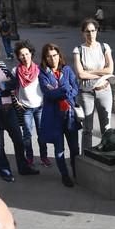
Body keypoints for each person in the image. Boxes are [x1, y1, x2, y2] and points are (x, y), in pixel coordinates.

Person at [0, 34, 39, 182]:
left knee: (18, 139)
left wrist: (1, 85)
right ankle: (5, 171)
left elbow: (15, 83)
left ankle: (23, 167)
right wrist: (4, 86)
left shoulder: (1, 65)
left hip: (9, 108)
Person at [40, 43, 80, 187]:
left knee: (75, 148)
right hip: (54, 116)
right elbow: (48, 94)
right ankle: (65, 175)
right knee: (59, 150)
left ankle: (77, 172)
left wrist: (63, 91)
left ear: (59, 55)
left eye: (55, 55)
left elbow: (76, 88)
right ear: (45, 58)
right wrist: (65, 89)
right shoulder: (43, 73)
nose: (53, 59)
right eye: (49, 56)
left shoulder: (67, 70)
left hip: (69, 115)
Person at [72, 18, 114, 151]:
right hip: (86, 93)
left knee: (106, 128)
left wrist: (90, 71)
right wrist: (101, 74)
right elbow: (81, 75)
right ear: (82, 33)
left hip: (104, 90)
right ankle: (86, 156)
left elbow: (110, 70)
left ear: (97, 31)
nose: (90, 34)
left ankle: (106, 153)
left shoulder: (104, 47)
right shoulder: (78, 50)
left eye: (93, 30)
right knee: (87, 129)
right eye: (87, 31)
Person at [13, 40, 51, 167]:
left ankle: (44, 157)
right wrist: (17, 101)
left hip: (40, 107)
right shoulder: (15, 71)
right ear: (18, 56)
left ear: (31, 54)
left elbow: (47, 85)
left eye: (27, 54)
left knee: (42, 134)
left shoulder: (39, 70)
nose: (25, 57)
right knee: (27, 135)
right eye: (22, 55)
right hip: (26, 109)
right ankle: (29, 157)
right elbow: (13, 88)